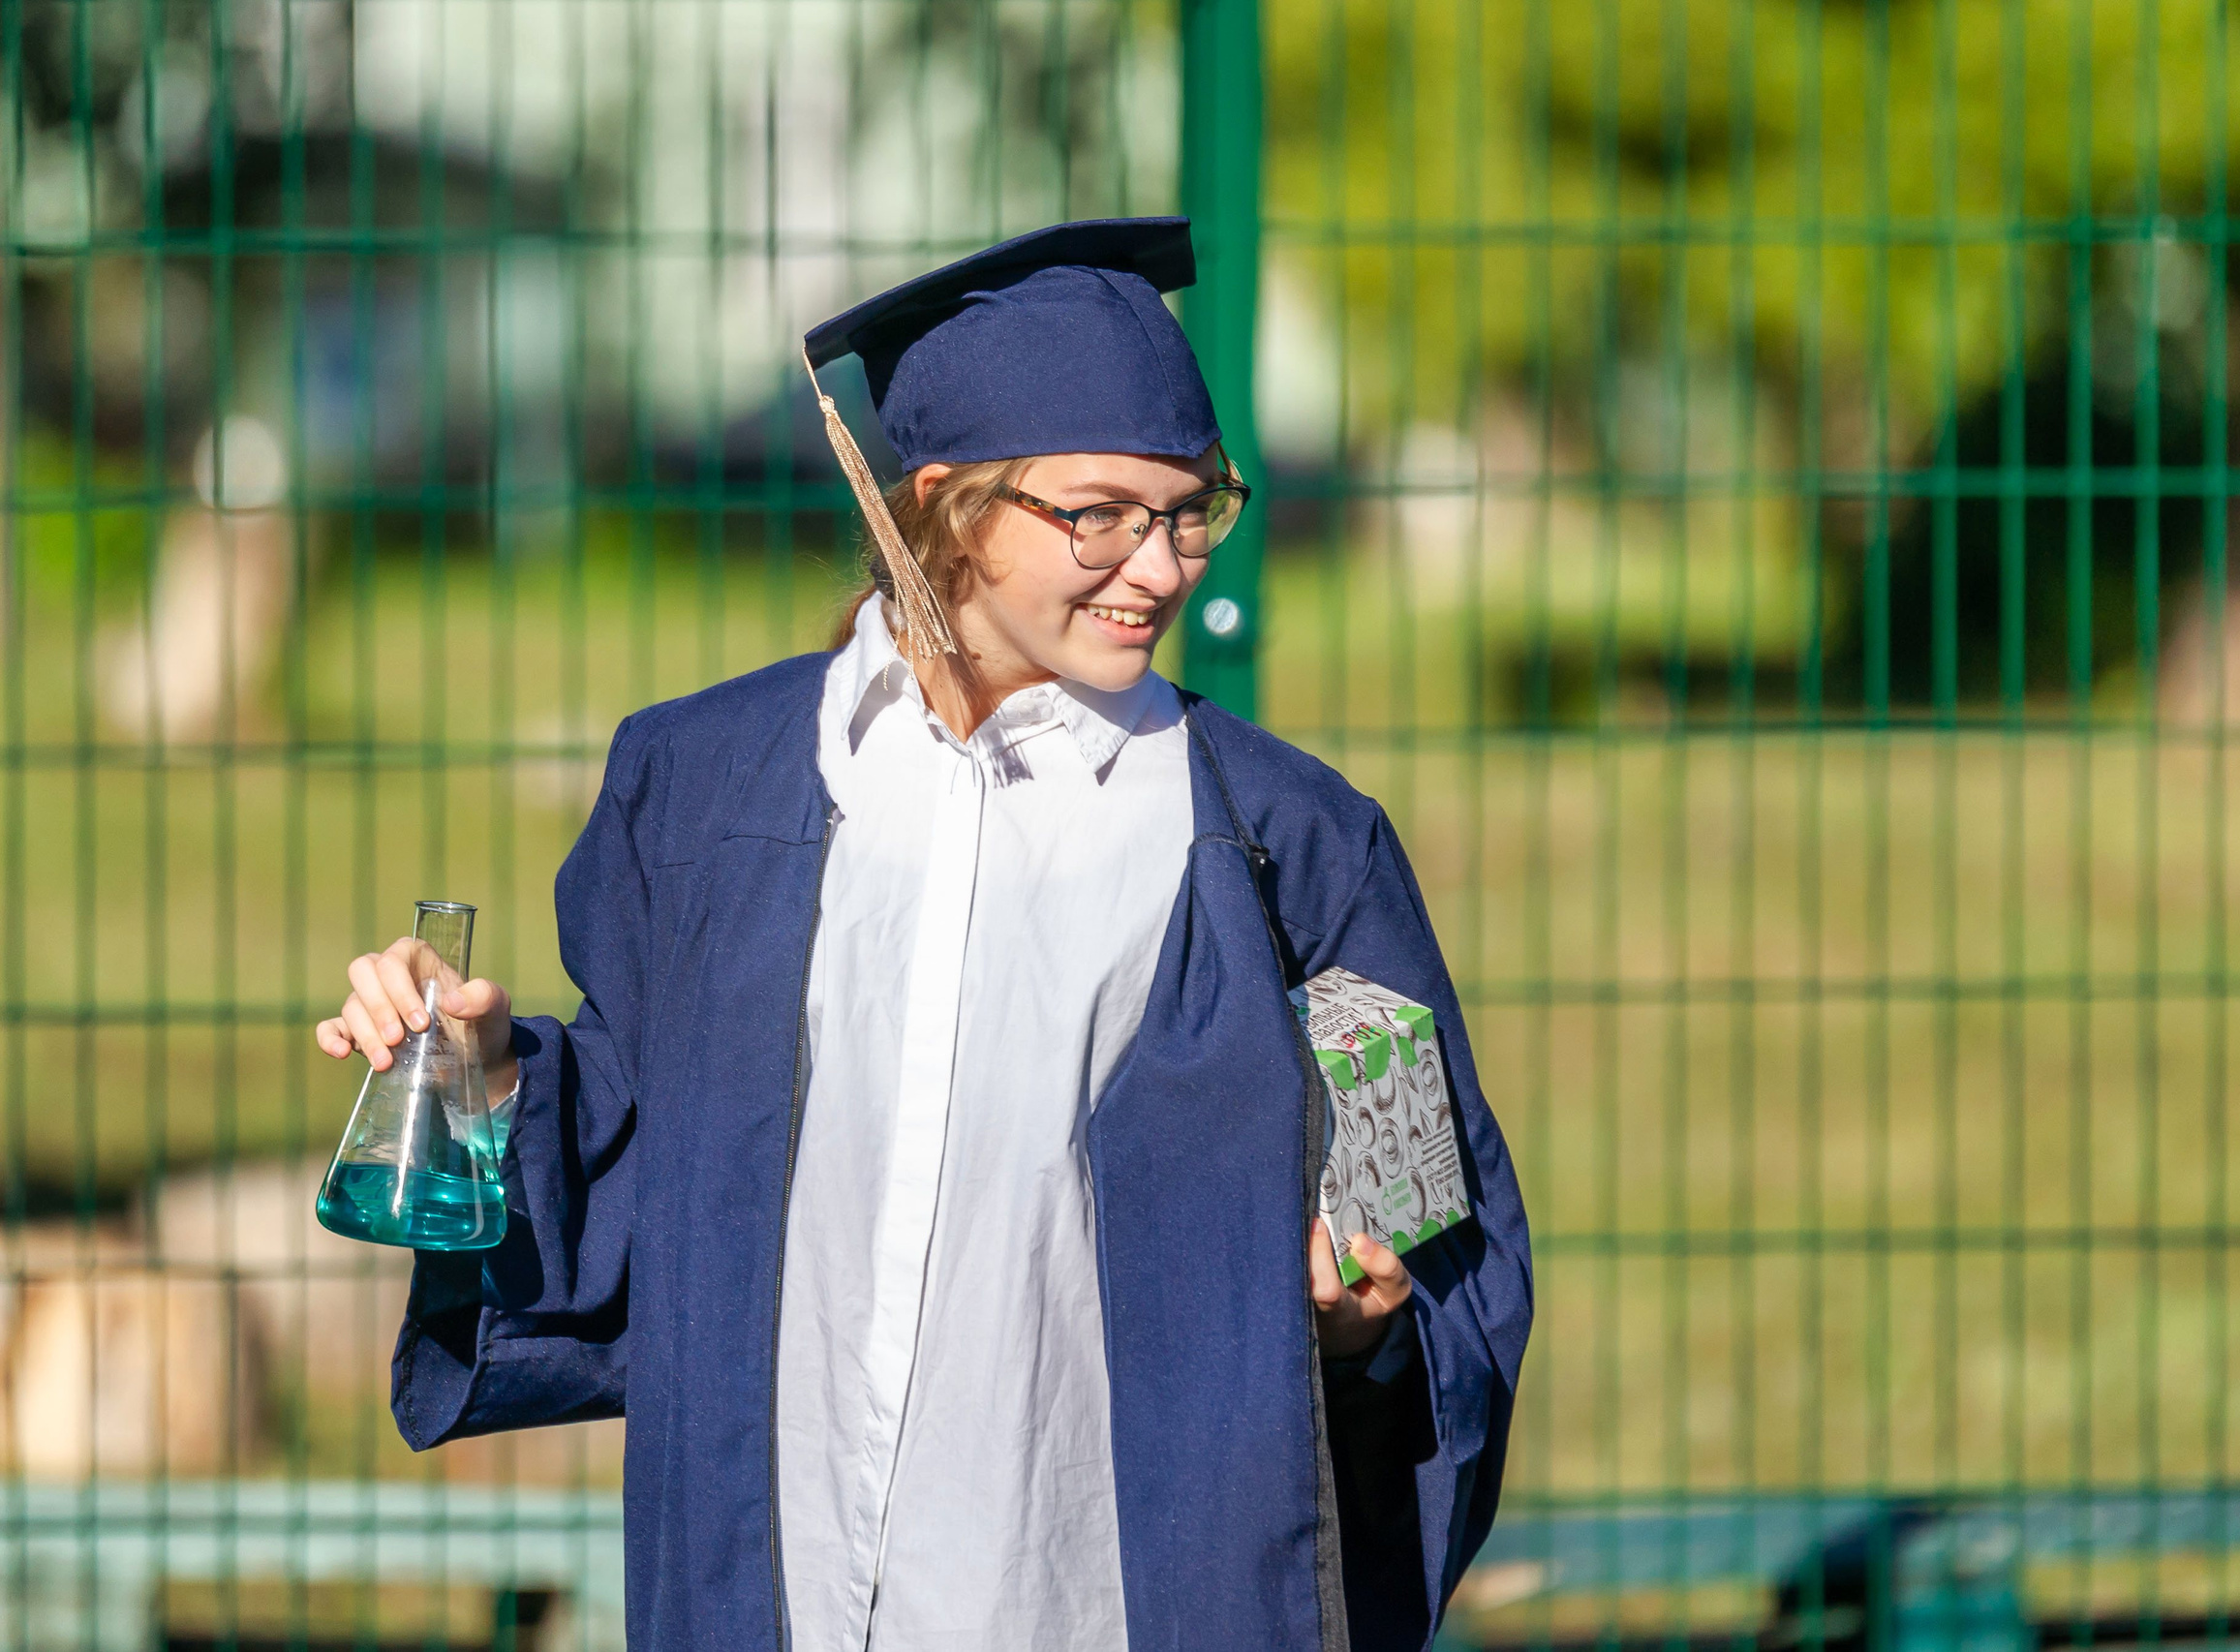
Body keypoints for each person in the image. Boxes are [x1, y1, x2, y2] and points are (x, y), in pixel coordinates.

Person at [315, 218, 1531, 1652]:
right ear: (948, 504)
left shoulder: (1293, 852)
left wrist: (1359, 1327)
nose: (1158, 567)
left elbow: (1440, 1266)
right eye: (1100, 515)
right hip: (783, 1599)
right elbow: (656, 1172)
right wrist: (488, 1079)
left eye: (1192, 510)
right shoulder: (708, 791)